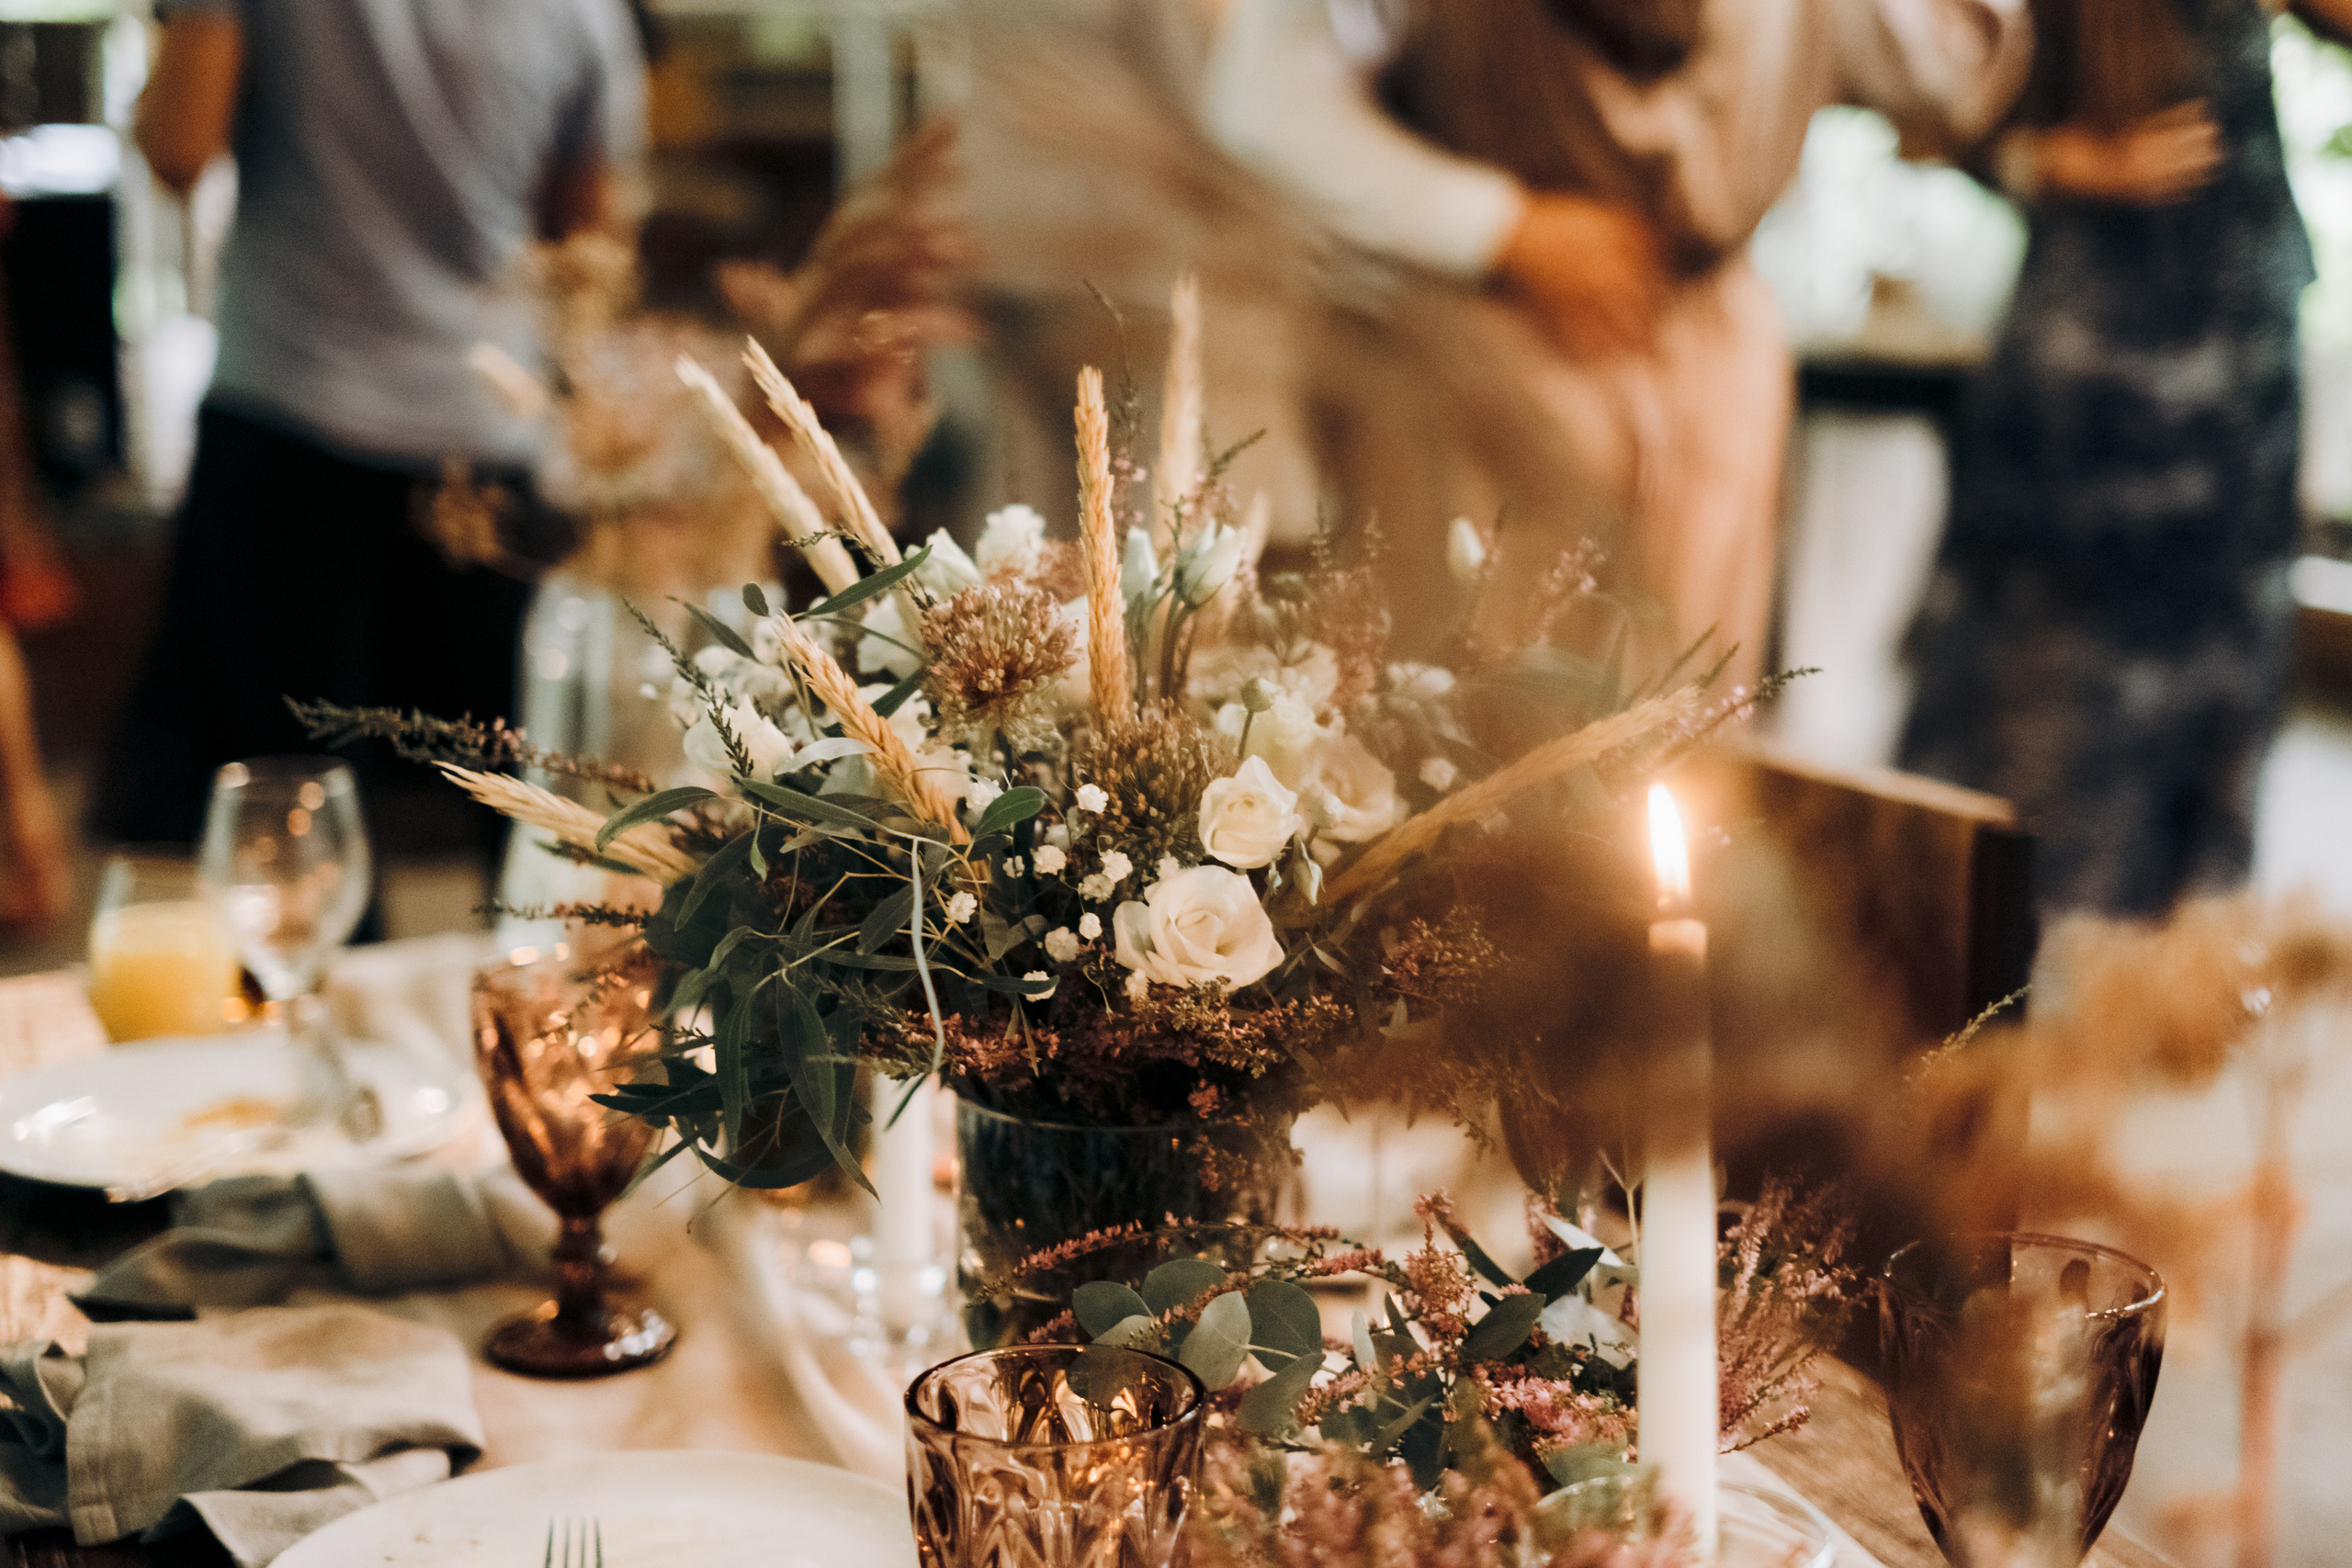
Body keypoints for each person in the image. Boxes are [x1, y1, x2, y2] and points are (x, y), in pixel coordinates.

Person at [1190, 0, 2033, 685]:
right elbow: (1263, 94)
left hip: (1710, 352)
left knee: (1683, 724)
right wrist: (1499, 228)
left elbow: (1948, 79)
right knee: (1462, 725)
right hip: (1474, 348)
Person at [94, 0, 646, 847]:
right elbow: (587, 240)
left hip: (291, 424)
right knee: (518, 820)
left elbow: (176, 147)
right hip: (489, 436)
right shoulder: (584, 12)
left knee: (295, 813)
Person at [1899, 0, 2350, 917]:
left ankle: (2149, 1012)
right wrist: (2059, 163)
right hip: (2088, 408)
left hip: (2235, 394)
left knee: (2208, 754)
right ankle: (1985, 1016)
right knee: (2037, 754)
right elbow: (1917, 94)